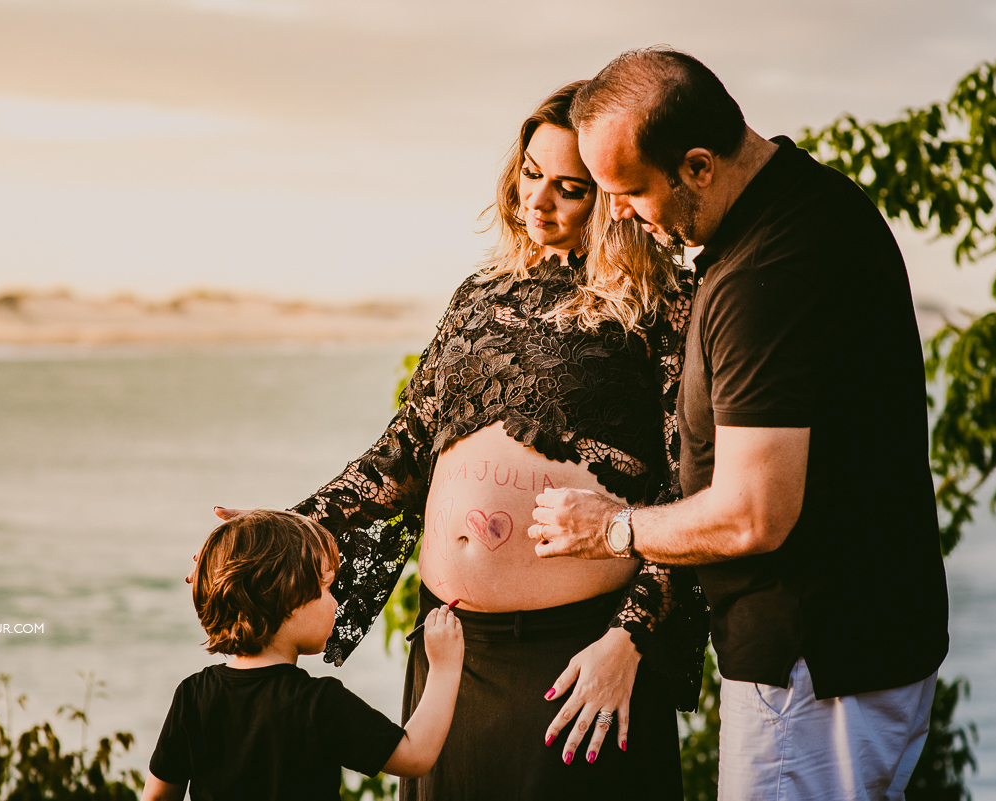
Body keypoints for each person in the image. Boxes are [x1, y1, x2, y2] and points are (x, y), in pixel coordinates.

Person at [221, 81, 708, 800]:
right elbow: (406, 448)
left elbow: (690, 490)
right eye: (530, 175)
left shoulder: (665, 304)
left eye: (569, 188)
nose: (537, 202)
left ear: (611, 193)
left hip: (580, 656)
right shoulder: (479, 292)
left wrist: (628, 638)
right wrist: (295, 523)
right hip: (451, 651)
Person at [530, 49, 949, 800]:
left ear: (697, 166)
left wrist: (613, 528)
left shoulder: (765, 278)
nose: (616, 212)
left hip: (815, 669)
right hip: (859, 652)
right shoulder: (810, 202)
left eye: (627, 190)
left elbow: (756, 513)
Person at [141, 509, 464, 801]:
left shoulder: (193, 694)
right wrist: (444, 665)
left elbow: (157, 797)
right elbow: (414, 756)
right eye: (326, 588)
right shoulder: (320, 703)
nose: (336, 603)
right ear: (288, 596)